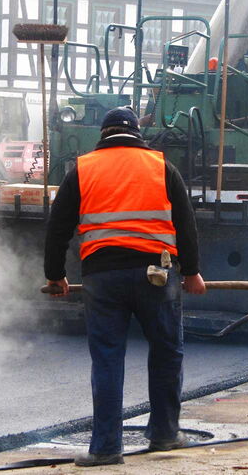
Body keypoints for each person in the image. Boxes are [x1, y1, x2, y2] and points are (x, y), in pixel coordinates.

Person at [44, 107, 206, 467]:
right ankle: (165, 433)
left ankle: (105, 448)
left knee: (107, 358)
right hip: (157, 275)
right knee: (167, 351)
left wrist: (55, 275)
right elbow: (185, 223)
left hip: (103, 277)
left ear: (103, 135)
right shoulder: (162, 167)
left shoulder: (83, 169)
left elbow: (58, 228)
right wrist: (192, 271)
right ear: (137, 133)